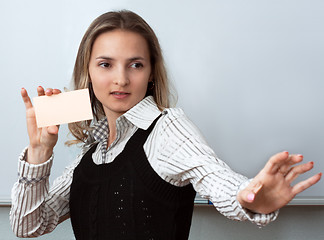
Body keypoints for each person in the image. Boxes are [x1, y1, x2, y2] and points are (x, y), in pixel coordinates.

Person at [10, 10, 321, 239]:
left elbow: (215, 176)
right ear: (88, 73)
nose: (121, 79)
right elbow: (27, 226)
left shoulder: (167, 128)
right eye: (106, 64)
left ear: (150, 74)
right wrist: (39, 151)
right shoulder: (90, 155)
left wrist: (248, 197)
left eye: (136, 64)